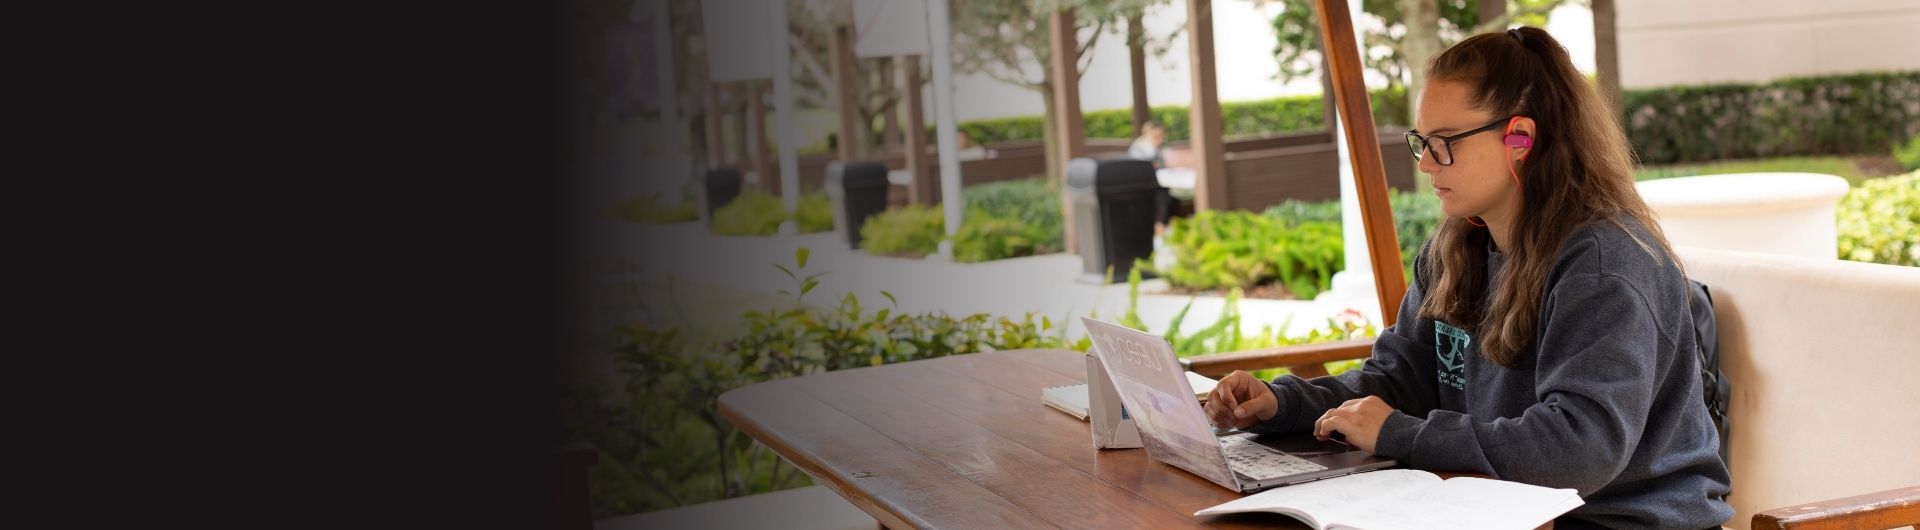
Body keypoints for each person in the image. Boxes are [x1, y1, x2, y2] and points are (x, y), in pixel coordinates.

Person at [1202, 27, 1732, 530]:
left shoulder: (1603, 265)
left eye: (1446, 141)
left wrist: (1400, 433)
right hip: (1497, 509)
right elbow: (1397, 382)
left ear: (1520, 138)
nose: (1428, 165)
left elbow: (1579, 451)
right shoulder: (1457, 247)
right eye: (1422, 141)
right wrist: (1281, 404)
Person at [1128, 121, 1178, 234]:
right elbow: (1138, 168)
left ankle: (1164, 226)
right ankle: (1159, 227)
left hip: (1157, 182)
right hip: (1140, 185)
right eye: (1156, 136)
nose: (1160, 138)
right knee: (1162, 195)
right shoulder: (1139, 148)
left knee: (1169, 196)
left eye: (1161, 135)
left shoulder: (1160, 148)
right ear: (1147, 134)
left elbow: (1163, 163)